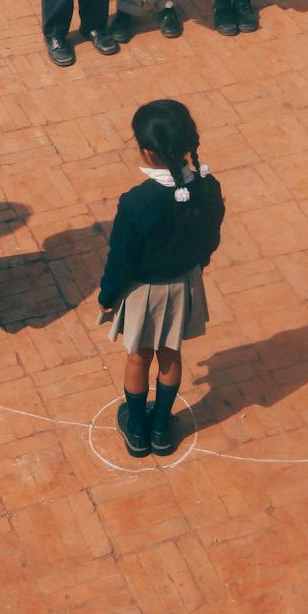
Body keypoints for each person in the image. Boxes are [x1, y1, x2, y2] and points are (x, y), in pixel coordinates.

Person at [96, 100, 225, 458]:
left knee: (138, 357)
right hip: (184, 283)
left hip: (143, 292)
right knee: (171, 354)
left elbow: (122, 257)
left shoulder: (137, 202)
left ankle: (137, 429)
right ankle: (162, 428)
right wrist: (200, 263)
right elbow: (211, 234)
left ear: (147, 152)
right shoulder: (207, 186)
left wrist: (107, 295)